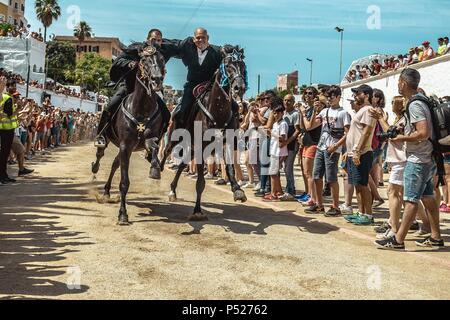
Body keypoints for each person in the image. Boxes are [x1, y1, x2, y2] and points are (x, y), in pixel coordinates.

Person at [375, 68, 444, 250]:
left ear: (403, 83)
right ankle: (436, 236)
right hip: (426, 157)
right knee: (428, 198)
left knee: (410, 200)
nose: (398, 84)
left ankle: (398, 240)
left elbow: (423, 132)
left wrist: (401, 138)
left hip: (418, 159)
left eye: (398, 81)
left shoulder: (414, 104)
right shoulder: (421, 102)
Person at [95, 29, 170, 147]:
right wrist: (130, 64)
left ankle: (156, 141)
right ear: (147, 40)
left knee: (166, 113)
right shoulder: (136, 48)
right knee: (110, 106)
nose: (156, 42)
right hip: (129, 87)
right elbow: (118, 61)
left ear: (161, 42)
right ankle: (101, 135)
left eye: (159, 40)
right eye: (153, 39)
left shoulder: (162, 54)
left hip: (150, 92)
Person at [161, 28, 241, 129]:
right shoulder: (187, 46)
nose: (200, 40)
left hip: (211, 86)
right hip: (192, 86)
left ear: (208, 38)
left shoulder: (217, 51)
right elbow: (171, 45)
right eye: (198, 38)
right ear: (194, 39)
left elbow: (230, 62)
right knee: (182, 110)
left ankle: (234, 134)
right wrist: (154, 44)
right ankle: (177, 137)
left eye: (203, 37)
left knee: (235, 107)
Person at [304, 85, 351, 216]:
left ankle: (335, 206)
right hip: (321, 146)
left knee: (331, 178)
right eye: (328, 96)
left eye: (332, 96)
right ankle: (319, 204)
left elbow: (347, 133)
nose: (330, 99)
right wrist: (314, 110)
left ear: (338, 97)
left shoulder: (343, 113)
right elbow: (311, 126)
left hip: (332, 149)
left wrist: (336, 147)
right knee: (316, 176)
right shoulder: (324, 112)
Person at [343, 84, 377, 225]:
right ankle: (361, 212)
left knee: (363, 185)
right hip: (354, 153)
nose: (356, 95)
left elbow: (367, 131)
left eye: (358, 93)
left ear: (367, 95)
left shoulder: (368, 110)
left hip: (362, 153)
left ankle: (368, 215)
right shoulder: (361, 110)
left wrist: (357, 151)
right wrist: (349, 151)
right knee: (357, 184)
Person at [264, 99, 288, 201]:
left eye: (278, 113)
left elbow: (282, 138)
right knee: (274, 173)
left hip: (279, 152)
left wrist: (271, 133)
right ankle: (279, 191)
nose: (276, 115)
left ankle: (273, 194)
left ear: (282, 113)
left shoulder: (283, 124)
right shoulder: (275, 124)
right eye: (275, 113)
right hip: (274, 151)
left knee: (273, 173)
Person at [279, 94, 300, 201]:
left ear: (293, 101)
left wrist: (287, 141)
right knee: (285, 167)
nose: (287, 102)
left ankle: (290, 190)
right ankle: (290, 188)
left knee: (288, 168)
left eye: (289, 100)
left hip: (292, 145)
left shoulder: (296, 114)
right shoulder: (284, 114)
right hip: (284, 145)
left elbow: (297, 130)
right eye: (285, 100)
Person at [0, 77, 19, 184]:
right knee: (4, 154)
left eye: (15, 86)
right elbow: (10, 114)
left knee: (4, 154)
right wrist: (19, 109)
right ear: (6, 87)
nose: (14, 87)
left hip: (4, 129)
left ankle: (4, 175)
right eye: (12, 86)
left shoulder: (4, 97)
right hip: (6, 130)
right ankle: (3, 176)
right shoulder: (8, 98)